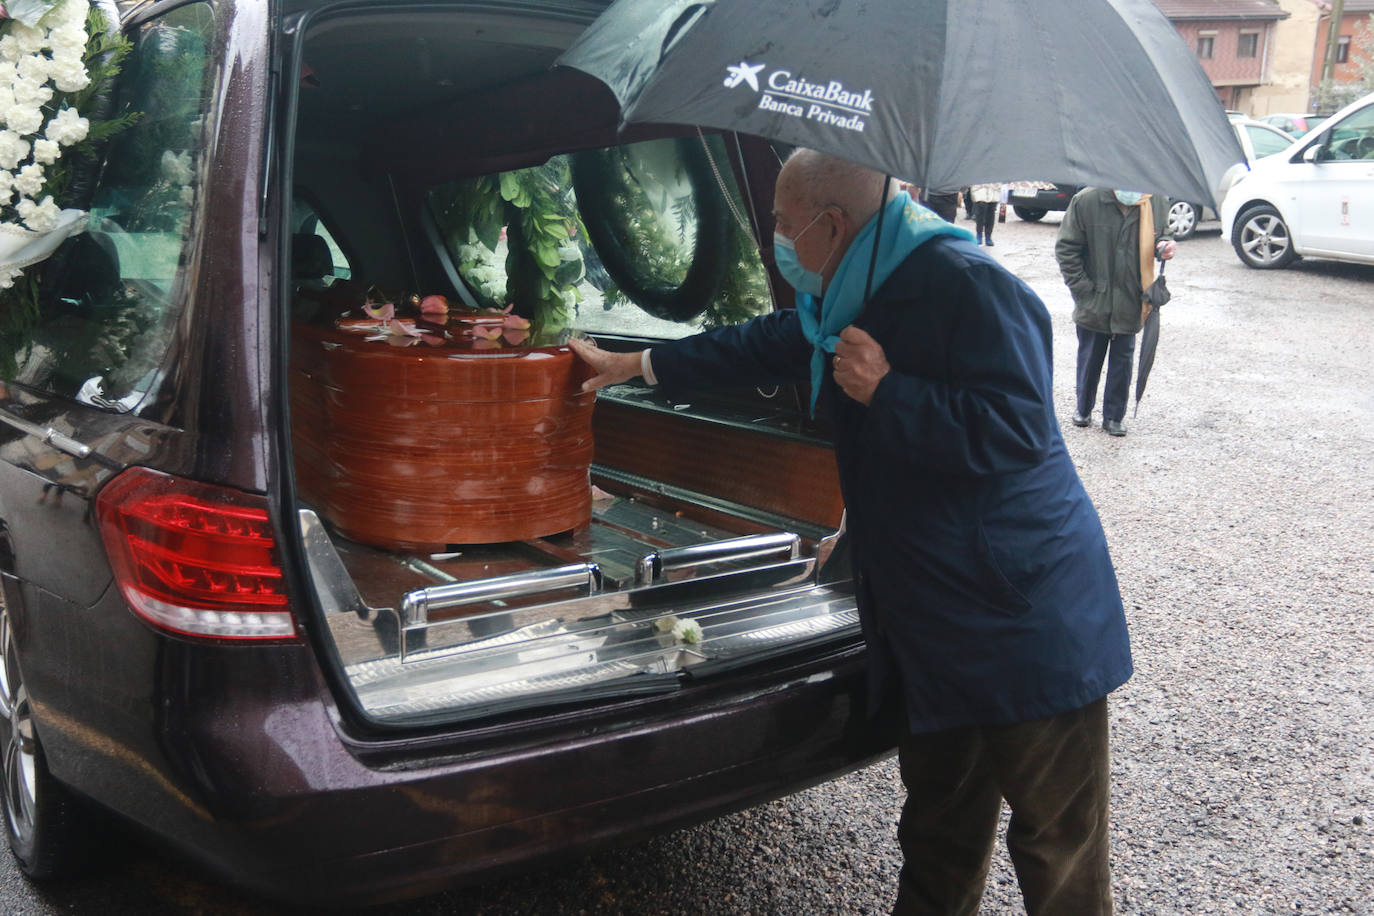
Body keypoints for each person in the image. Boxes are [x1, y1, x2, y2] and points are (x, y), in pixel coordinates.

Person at [570, 149, 1133, 915]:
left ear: (830, 226)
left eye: (778, 223)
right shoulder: (850, 289)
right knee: (938, 827)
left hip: (1020, 614)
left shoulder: (971, 284)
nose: (774, 237)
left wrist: (890, 392)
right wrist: (632, 364)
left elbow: (1020, 436)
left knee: (1055, 845)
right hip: (932, 617)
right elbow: (764, 342)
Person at [1055, 187, 1177, 436]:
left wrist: (1163, 245)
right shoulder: (1087, 200)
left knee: (1123, 360)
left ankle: (1114, 416)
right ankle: (1084, 408)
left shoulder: (1155, 201)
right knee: (1090, 357)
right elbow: (1066, 249)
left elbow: (1161, 236)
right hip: (1095, 298)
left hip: (1132, 297)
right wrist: (1084, 290)